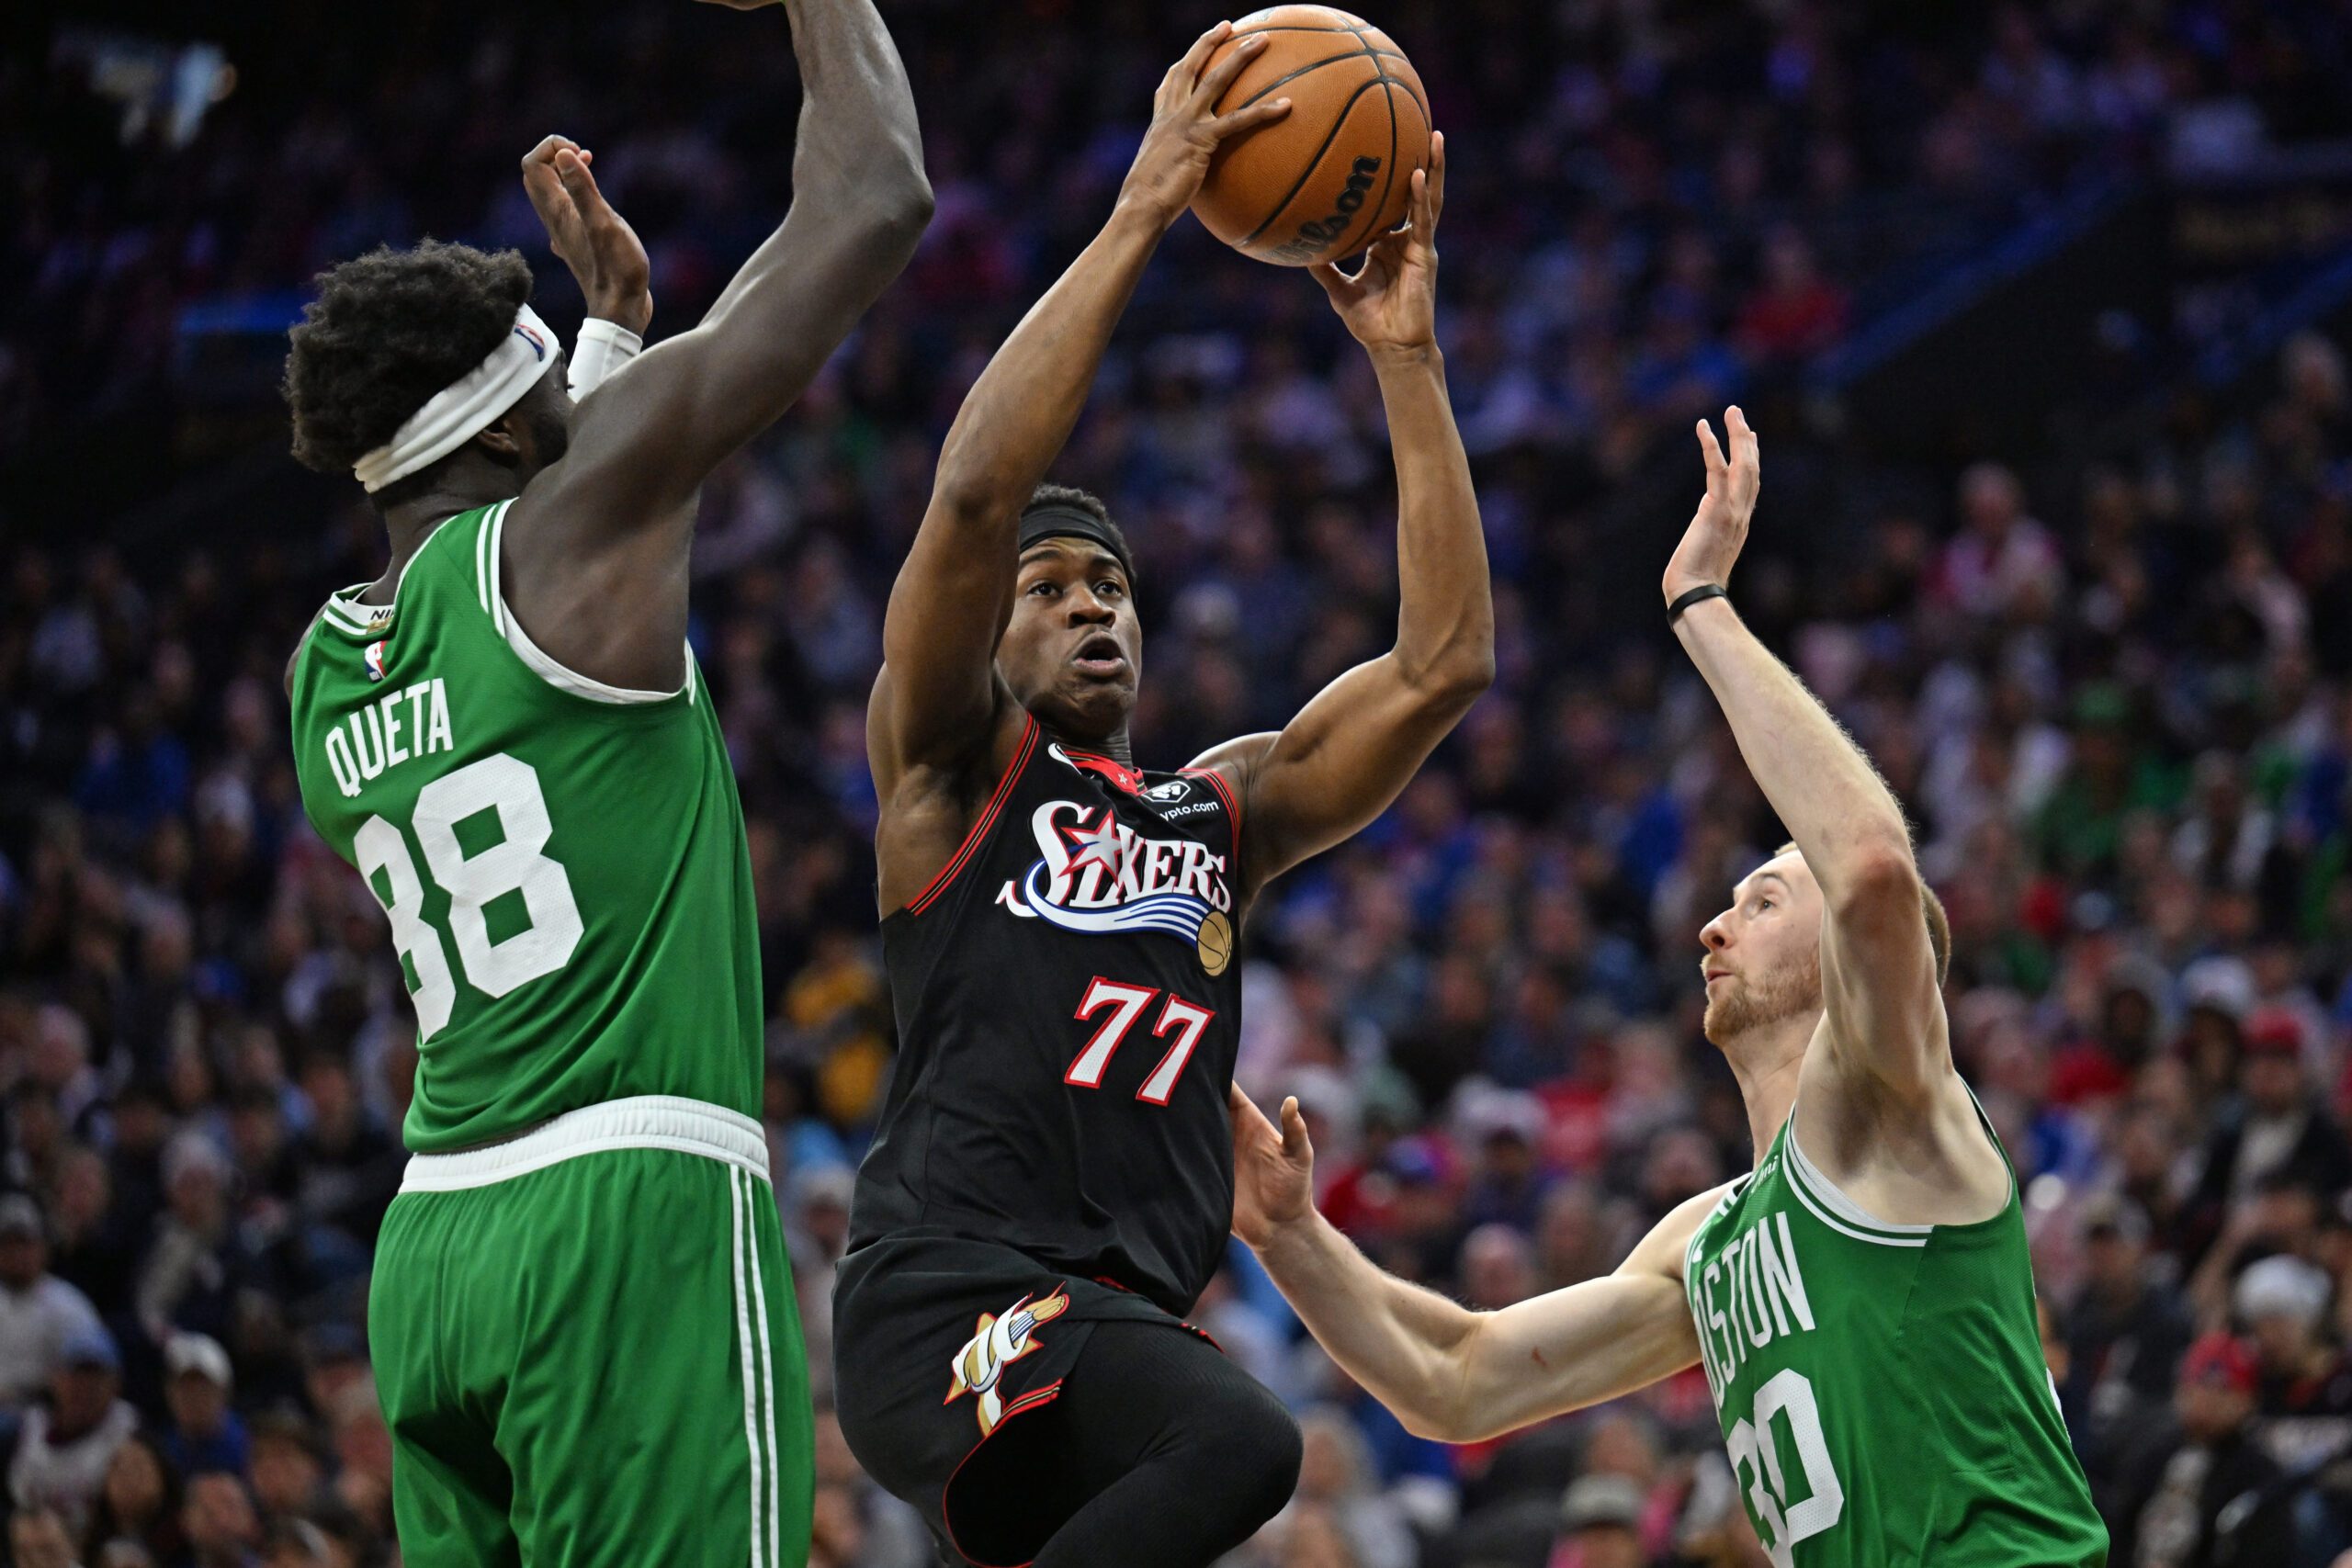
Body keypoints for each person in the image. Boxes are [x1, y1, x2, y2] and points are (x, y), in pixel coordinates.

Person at [274, 0, 929, 1560]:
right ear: (515, 436)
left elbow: (522, 573)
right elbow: (876, 194)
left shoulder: (321, 672)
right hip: (625, 1208)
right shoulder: (562, 532)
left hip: (439, 1244)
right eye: (558, 399)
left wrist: (609, 342)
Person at [1228, 408, 2108, 1565]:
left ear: (1856, 966)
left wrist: (1700, 603)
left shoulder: (1895, 1113)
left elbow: (1873, 869)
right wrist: (1287, 1231)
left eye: (1765, 899)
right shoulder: (1713, 1236)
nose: (1713, 923)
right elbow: (1458, 1381)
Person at [834, 24, 1492, 1568]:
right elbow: (976, 494)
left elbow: (1445, 664)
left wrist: (1406, 359)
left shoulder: (1217, 811)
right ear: (991, 630)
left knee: (1205, 1458)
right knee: (1247, 1437)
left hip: (1111, 1320)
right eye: (1051, 588)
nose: (1092, 605)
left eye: (1112, 586)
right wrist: (1144, 208)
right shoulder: (953, 768)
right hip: (948, 1284)